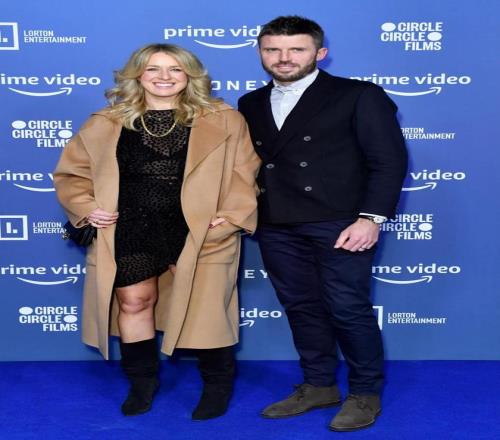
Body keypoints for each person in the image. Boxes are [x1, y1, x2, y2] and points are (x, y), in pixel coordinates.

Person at [54, 43, 260, 420]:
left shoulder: (224, 119)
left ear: (190, 76)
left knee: (205, 309)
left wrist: (232, 216)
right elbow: (72, 175)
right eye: (153, 69)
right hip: (131, 226)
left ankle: (217, 385)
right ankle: (142, 383)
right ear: (137, 74)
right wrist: (86, 207)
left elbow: (244, 173)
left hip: (198, 228)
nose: (164, 77)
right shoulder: (105, 121)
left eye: (175, 70)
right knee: (134, 302)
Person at [238, 16, 407, 432]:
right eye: (273, 49)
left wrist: (370, 218)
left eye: (296, 49)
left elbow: (388, 161)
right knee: (301, 306)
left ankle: (365, 393)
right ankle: (318, 385)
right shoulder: (250, 103)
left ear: (320, 52)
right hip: (277, 222)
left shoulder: (358, 95)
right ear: (260, 53)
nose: (284, 58)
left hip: (340, 222)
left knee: (347, 307)